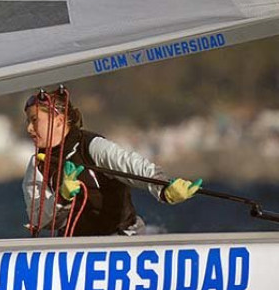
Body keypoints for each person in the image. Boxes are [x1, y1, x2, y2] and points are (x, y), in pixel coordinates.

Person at [22, 88, 202, 236]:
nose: (29, 128)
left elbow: (134, 167)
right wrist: (61, 197)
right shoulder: (37, 164)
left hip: (121, 238)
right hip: (75, 247)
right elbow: (38, 218)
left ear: (59, 121)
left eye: (34, 120)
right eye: (28, 121)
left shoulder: (92, 146)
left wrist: (165, 188)